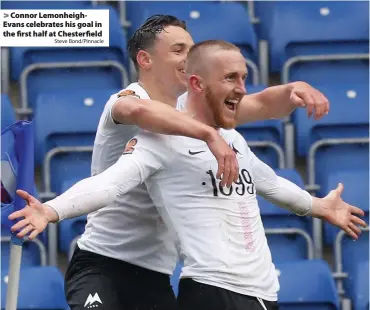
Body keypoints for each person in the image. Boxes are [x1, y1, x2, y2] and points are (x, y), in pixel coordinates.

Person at [10, 40, 366, 310]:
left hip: (257, 293)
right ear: (197, 83)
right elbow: (110, 184)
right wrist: (49, 210)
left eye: (244, 77)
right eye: (231, 78)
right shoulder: (159, 137)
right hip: (214, 291)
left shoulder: (234, 139)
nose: (242, 87)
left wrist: (318, 206)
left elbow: (269, 182)